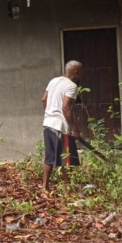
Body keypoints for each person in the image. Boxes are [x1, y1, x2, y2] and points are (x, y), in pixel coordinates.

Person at [41, 60, 84, 192]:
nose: (82, 75)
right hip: (60, 126)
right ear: (76, 71)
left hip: (48, 124)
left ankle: (45, 187)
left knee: (50, 157)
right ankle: (68, 189)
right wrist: (74, 128)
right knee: (66, 158)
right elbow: (66, 107)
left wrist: (50, 113)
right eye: (81, 72)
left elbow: (44, 99)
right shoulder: (71, 86)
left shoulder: (54, 81)